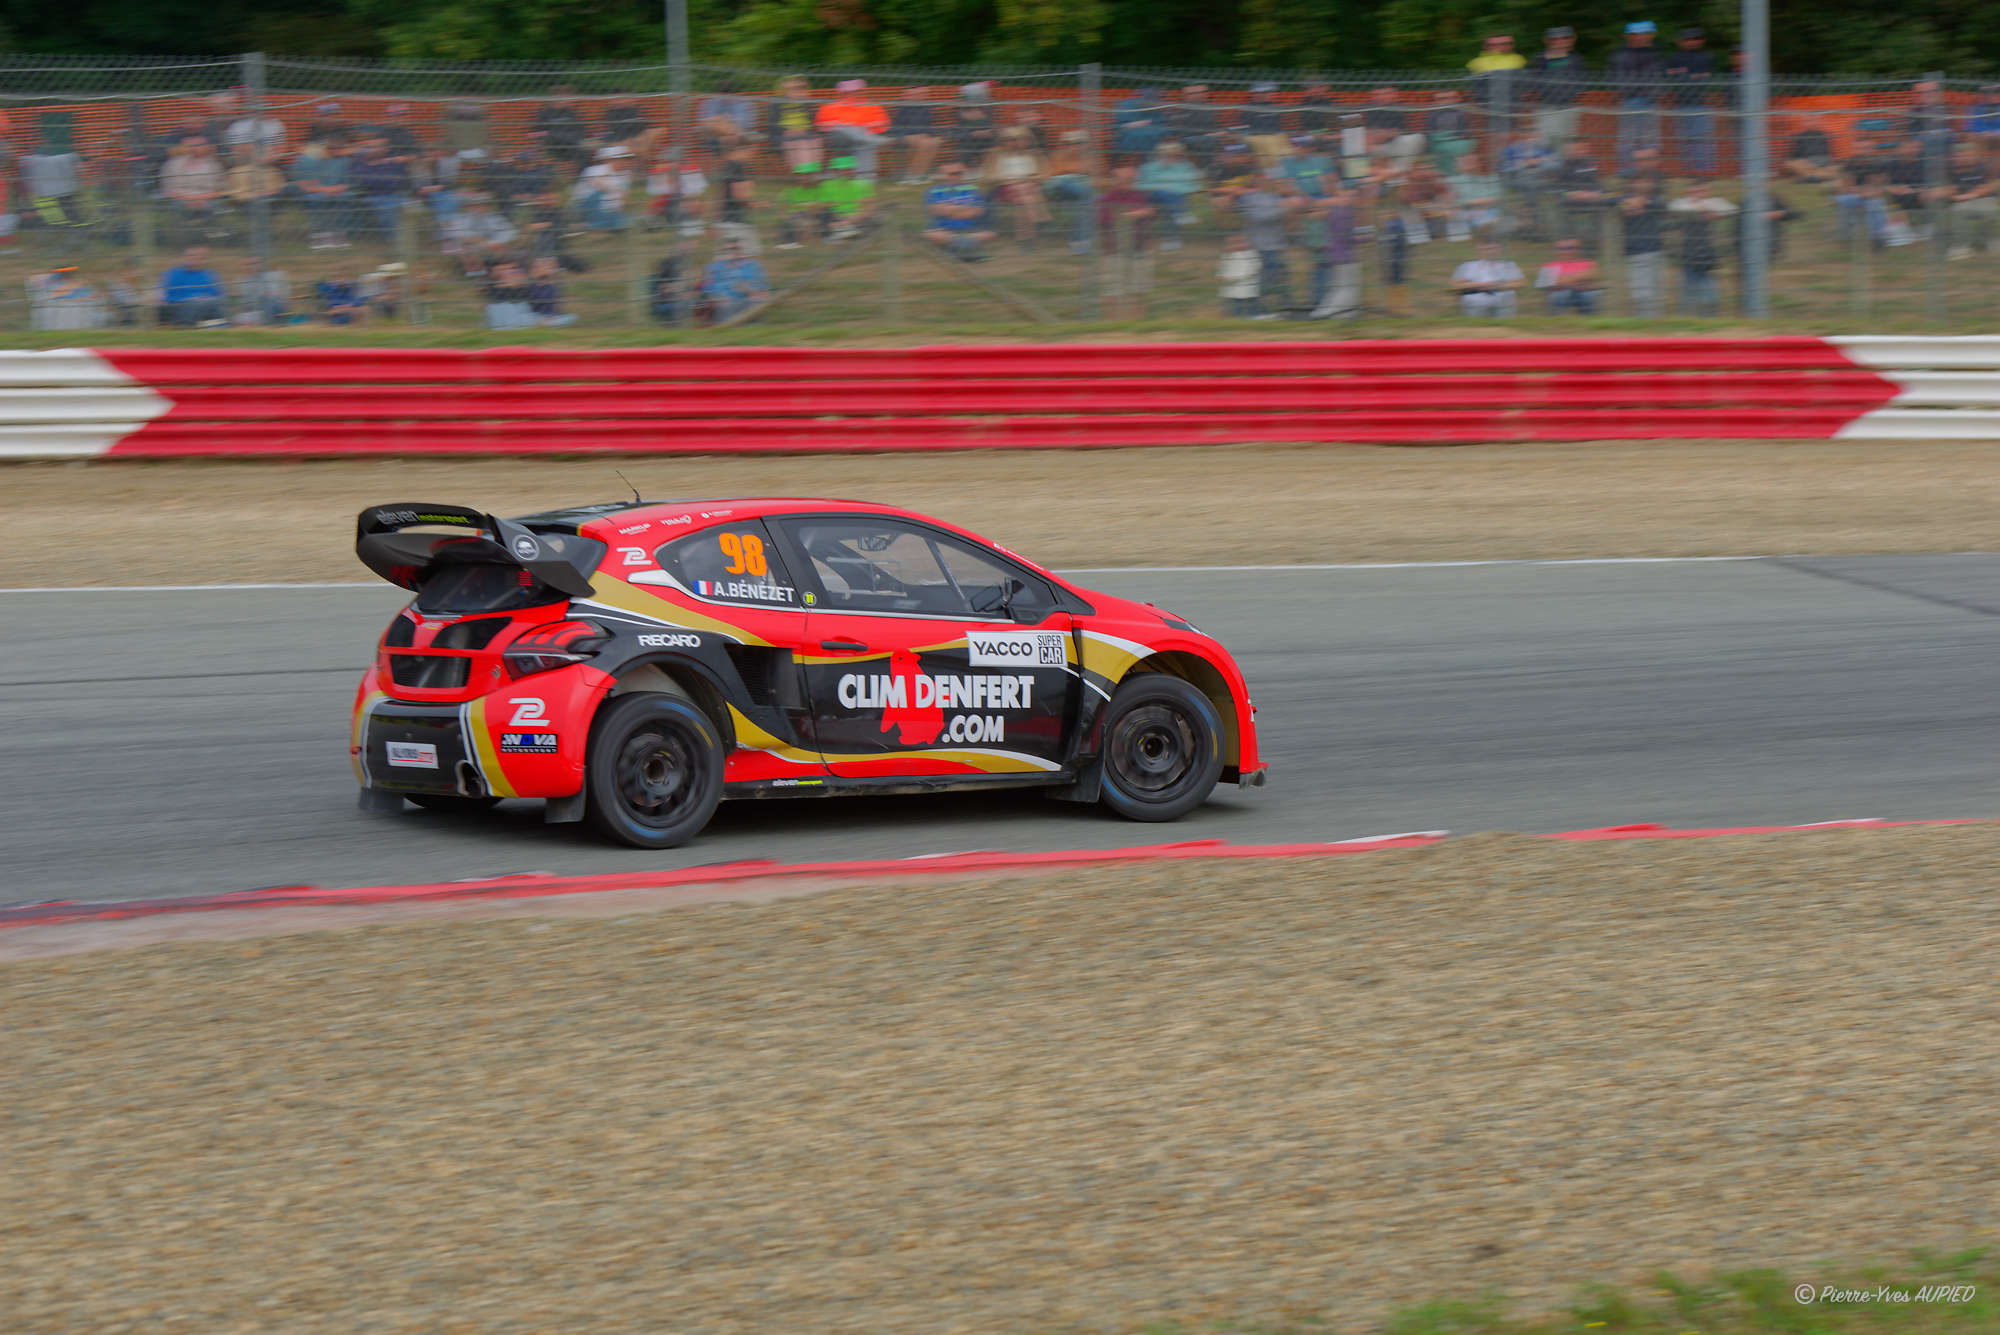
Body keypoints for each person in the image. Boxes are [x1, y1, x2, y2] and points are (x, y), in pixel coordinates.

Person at [1096, 161, 1156, 319]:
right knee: (1111, 288)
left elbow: (1151, 212)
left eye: (1131, 179)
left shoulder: (1140, 196)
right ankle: (1110, 324)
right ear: (1115, 179)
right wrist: (1133, 214)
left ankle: (1138, 323)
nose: (1128, 182)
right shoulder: (1107, 198)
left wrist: (1141, 213)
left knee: (1139, 288)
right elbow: (1106, 219)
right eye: (1123, 179)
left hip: (1139, 248)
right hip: (1113, 251)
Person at [1670, 180, 1735, 315]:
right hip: (1689, 255)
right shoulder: (1683, 203)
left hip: (1706, 256)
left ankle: (1707, 321)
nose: (1699, 194)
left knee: (1710, 298)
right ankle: (1687, 322)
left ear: (1708, 192)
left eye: (1703, 191)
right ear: (1689, 192)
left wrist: (1717, 214)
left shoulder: (1713, 202)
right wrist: (1701, 209)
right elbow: (1674, 207)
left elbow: (1732, 209)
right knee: (1688, 296)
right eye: (1695, 192)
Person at [1609, 21, 1666, 171]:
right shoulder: (1620, 54)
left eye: (1644, 34)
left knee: (1650, 139)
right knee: (1628, 138)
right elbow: (1614, 77)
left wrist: (1657, 93)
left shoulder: (1657, 54)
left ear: (1651, 35)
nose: (1640, 37)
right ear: (1628, 36)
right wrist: (1621, 92)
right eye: (1635, 34)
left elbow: (1661, 77)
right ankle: (1627, 170)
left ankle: (1649, 170)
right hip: (1628, 101)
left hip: (1651, 101)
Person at [1663, 27, 1717, 175]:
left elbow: (1707, 78)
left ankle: (1704, 171)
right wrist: (1692, 77)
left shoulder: (1707, 57)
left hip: (1701, 104)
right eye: (1688, 39)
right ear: (1681, 41)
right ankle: (1688, 171)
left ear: (1702, 41)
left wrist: (1685, 76)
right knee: (1684, 140)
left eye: (1696, 38)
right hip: (1680, 104)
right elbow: (1670, 78)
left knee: (1702, 140)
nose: (1692, 42)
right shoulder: (1674, 58)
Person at [814, 79, 890, 180]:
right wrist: (841, 125)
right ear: (841, 93)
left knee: (864, 142)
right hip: (838, 138)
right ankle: (866, 176)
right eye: (847, 92)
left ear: (861, 92)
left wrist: (862, 127)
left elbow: (883, 122)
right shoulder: (830, 107)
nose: (851, 95)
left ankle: (864, 179)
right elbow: (820, 125)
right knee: (848, 131)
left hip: (864, 135)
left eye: (855, 92)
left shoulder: (872, 106)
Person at [986, 126, 1049, 245]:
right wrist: (1014, 181)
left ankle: (1025, 239)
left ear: (1028, 140)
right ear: (1003, 141)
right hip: (1005, 188)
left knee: (1023, 198)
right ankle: (1041, 220)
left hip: (1030, 188)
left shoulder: (1035, 154)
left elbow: (1044, 175)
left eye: (1019, 139)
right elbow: (989, 176)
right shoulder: (995, 154)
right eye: (1010, 140)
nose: (1015, 142)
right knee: (1024, 190)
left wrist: (1026, 180)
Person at [922, 159, 995, 260]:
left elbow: (978, 211)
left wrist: (951, 209)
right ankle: (967, 249)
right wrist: (964, 208)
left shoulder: (973, 189)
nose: (956, 176)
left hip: (971, 229)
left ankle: (954, 249)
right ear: (943, 174)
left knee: (989, 234)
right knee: (933, 235)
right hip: (944, 229)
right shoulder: (934, 191)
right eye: (951, 174)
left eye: (959, 173)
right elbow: (938, 210)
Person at [1308, 185, 1363, 319]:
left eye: (1354, 196)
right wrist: (1363, 238)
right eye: (1349, 195)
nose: (1352, 199)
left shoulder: (1338, 211)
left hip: (1337, 253)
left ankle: (1333, 312)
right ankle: (1338, 313)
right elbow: (1345, 236)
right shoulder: (1343, 213)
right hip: (1344, 255)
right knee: (1346, 286)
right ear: (1341, 195)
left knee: (1339, 285)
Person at [1136, 139, 1201, 250]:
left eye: (1175, 156)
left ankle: (1171, 240)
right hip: (1153, 198)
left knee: (1169, 206)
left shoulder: (1186, 167)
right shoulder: (1149, 168)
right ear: (1160, 155)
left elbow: (1194, 186)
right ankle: (1182, 216)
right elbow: (1140, 185)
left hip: (1176, 197)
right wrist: (1160, 187)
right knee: (1164, 194)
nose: (1171, 158)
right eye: (1167, 155)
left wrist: (1172, 189)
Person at [1620, 173, 1669, 316]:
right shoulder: (1624, 200)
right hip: (1636, 254)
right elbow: (1612, 202)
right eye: (1638, 182)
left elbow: (1663, 207)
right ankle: (1643, 323)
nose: (1642, 185)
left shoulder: (1656, 201)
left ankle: (1655, 327)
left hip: (1655, 251)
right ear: (1632, 184)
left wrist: (1643, 202)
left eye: (1646, 182)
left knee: (1656, 294)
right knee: (1641, 295)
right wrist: (1629, 203)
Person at [1529, 27, 1587, 146]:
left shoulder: (1577, 59)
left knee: (1567, 140)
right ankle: (1548, 163)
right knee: (1546, 139)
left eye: (1565, 38)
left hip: (1569, 106)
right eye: (1555, 39)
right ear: (1547, 41)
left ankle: (1562, 163)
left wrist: (1577, 96)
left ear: (1572, 40)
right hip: (1546, 106)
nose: (1560, 42)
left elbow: (1582, 81)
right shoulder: (1540, 59)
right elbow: (1532, 82)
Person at [1467, 32, 1527, 143]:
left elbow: (1520, 84)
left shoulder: (1518, 59)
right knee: (1491, 136)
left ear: (1511, 45)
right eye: (1494, 44)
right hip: (1488, 105)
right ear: (1486, 47)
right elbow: (1478, 87)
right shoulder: (1477, 62)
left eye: (1505, 43)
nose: (1500, 47)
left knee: (1513, 135)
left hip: (1512, 104)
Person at [1941, 140, 1996, 259]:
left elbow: (1989, 186)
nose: (1963, 157)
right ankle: (1960, 248)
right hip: (1961, 201)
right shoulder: (1951, 170)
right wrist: (1954, 196)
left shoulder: (1982, 166)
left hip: (1982, 198)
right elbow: (1949, 190)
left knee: (1991, 211)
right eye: (1959, 154)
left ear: (1973, 154)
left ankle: (1991, 242)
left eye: (1967, 154)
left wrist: (1971, 195)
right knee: (1960, 211)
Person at [1044, 130, 1096, 254]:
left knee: (1081, 206)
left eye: (1081, 143)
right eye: (1074, 143)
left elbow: (1099, 179)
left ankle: (1078, 242)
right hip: (1060, 189)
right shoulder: (1057, 156)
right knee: (1084, 196)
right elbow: (1050, 176)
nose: (1077, 146)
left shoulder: (1091, 158)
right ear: (1066, 145)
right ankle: (1083, 242)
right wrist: (1075, 175)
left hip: (1079, 191)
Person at [699, 239, 770, 321]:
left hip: (748, 300)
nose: (734, 252)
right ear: (723, 251)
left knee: (755, 302)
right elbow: (706, 290)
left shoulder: (754, 266)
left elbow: (765, 293)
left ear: (743, 250)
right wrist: (717, 297)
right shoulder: (713, 267)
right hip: (723, 302)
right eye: (729, 249)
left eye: (737, 248)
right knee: (724, 305)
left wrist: (750, 291)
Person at [1450, 239, 1523, 316]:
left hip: (1502, 308)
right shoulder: (1469, 266)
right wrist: (1477, 285)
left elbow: (1520, 283)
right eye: (1487, 249)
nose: (1491, 252)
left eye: (1494, 248)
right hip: (1474, 308)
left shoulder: (1508, 266)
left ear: (1500, 249)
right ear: (1480, 249)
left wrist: (1497, 286)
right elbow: (1454, 286)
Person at [159, 246, 227, 326]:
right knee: (198, 305)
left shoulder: (210, 274)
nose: (195, 258)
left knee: (215, 305)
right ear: (184, 258)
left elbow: (220, 295)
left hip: (207, 306)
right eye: (191, 255)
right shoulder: (172, 274)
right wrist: (191, 298)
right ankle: (199, 326)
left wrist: (207, 299)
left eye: (200, 256)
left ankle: (210, 326)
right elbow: (165, 297)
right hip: (181, 306)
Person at [573, 144, 634, 232]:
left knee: (623, 222)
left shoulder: (626, 174)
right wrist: (617, 194)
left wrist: (620, 205)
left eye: (626, 159)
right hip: (587, 204)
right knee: (600, 196)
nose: (625, 162)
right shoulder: (595, 170)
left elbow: (623, 197)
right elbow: (600, 186)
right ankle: (593, 225)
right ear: (611, 160)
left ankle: (589, 226)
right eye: (621, 159)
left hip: (609, 207)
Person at [26, 264, 108, 330]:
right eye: (65, 272)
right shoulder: (50, 283)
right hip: (65, 306)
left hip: (82, 304)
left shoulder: (78, 283)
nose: (68, 274)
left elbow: (92, 294)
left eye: (69, 272)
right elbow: (50, 295)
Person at [769, 75, 823, 171]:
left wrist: (806, 101)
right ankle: (804, 174)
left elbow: (815, 122)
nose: (797, 91)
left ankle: (812, 173)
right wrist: (785, 131)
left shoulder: (807, 103)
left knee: (816, 141)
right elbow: (772, 125)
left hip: (806, 132)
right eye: (793, 89)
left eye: (801, 89)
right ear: (785, 91)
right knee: (800, 143)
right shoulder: (777, 104)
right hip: (785, 134)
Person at [714, 141, 761, 253]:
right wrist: (755, 205)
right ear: (746, 149)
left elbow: (720, 195)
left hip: (725, 220)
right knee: (750, 256)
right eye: (753, 150)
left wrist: (716, 220)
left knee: (725, 258)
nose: (753, 154)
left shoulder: (726, 166)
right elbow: (739, 196)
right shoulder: (739, 166)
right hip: (736, 222)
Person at [890, 86, 943, 183]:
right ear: (906, 96)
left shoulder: (928, 108)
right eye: (915, 94)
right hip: (903, 136)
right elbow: (894, 128)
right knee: (926, 142)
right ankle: (912, 176)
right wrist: (917, 135)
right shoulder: (900, 108)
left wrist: (930, 134)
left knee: (935, 141)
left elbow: (931, 126)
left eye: (922, 94)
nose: (919, 96)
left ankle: (919, 174)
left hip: (923, 137)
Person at [1534, 238, 1600, 312]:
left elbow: (1592, 276)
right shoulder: (1548, 265)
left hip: (1583, 292)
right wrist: (1580, 278)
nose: (1567, 251)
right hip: (1560, 294)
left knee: (1589, 295)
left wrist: (1560, 280)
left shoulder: (1588, 263)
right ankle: (1557, 321)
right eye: (1562, 249)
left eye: (1571, 248)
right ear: (1556, 251)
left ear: (1578, 249)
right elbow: (1543, 284)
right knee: (1561, 295)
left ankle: (1589, 321)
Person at [819, 155, 876, 241]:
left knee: (875, 220)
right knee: (825, 216)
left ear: (854, 169)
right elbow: (825, 206)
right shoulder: (827, 185)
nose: (846, 172)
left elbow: (870, 205)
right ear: (834, 171)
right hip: (836, 216)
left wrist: (855, 218)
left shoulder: (864, 183)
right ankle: (843, 230)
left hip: (857, 216)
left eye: (849, 169)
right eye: (841, 170)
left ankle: (845, 230)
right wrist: (840, 218)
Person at [1240, 84, 1291, 170]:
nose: (1265, 95)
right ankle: (1275, 170)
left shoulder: (1274, 106)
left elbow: (1278, 125)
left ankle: (1283, 169)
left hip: (1276, 135)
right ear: (1254, 94)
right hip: (1256, 135)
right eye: (1261, 92)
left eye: (1267, 92)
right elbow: (1245, 127)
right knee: (1270, 145)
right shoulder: (1248, 108)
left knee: (1287, 149)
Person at [951, 83, 1000, 170]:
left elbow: (996, 128)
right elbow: (955, 132)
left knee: (992, 151)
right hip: (967, 143)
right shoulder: (959, 112)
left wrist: (990, 132)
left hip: (987, 142)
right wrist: (972, 134)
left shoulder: (988, 109)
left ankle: (986, 169)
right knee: (963, 153)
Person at [230, 257, 289, 324]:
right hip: (254, 312)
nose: (249, 267)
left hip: (272, 309)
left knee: (268, 300)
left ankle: (269, 325)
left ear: (260, 265)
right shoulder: (241, 281)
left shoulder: (271, 276)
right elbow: (244, 305)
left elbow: (277, 296)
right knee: (235, 319)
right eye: (245, 265)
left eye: (253, 264)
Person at [480, 259, 534, 329]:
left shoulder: (525, 289)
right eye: (504, 270)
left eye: (513, 270)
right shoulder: (495, 291)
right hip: (505, 314)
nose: (510, 272)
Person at [525, 255, 577, 326]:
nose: (546, 268)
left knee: (573, 317)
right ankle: (548, 323)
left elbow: (553, 308)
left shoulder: (551, 286)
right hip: (535, 316)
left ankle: (550, 323)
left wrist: (553, 316)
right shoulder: (530, 285)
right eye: (540, 266)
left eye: (545, 266)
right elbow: (531, 307)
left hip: (550, 317)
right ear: (534, 269)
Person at [1218, 232, 1259, 316]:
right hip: (1232, 288)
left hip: (1247, 286)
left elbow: (1253, 269)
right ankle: (1236, 317)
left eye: (1241, 242)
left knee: (1250, 303)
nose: (1237, 246)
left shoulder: (1251, 254)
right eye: (1232, 244)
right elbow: (1223, 267)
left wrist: (1235, 278)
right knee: (1235, 305)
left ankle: (1252, 316)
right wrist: (1221, 275)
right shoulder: (1227, 255)